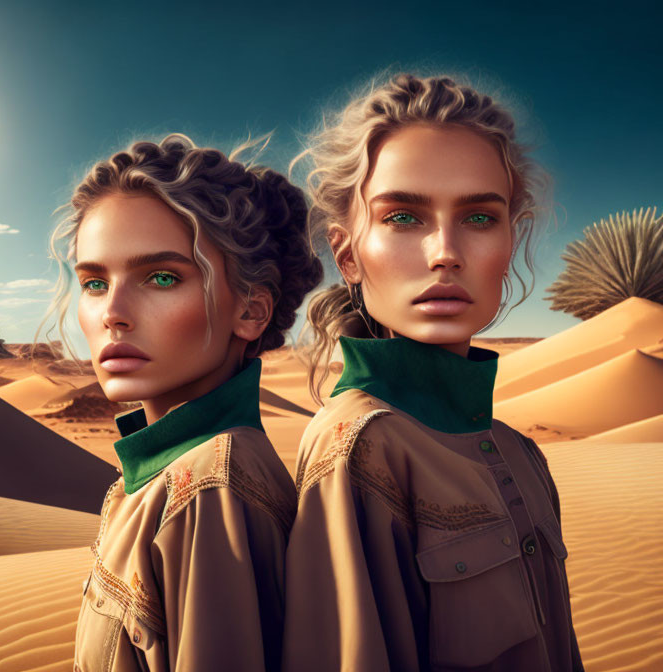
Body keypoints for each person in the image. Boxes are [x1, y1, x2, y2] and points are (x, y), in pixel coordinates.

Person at [282, 74, 583, 671]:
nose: (445, 250)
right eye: (402, 217)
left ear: (510, 240)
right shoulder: (358, 448)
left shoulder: (520, 452)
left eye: (477, 218)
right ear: (347, 255)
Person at [41, 134, 323, 672]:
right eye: (95, 282)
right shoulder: (171, 475)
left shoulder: (209, 490)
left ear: (252, 310)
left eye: (161, 277)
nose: (113, 313)